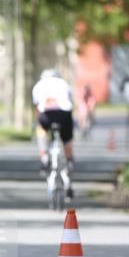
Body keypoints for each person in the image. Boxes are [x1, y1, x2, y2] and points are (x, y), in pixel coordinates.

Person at [32, 68, 75, 198]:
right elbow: (71, 102)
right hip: (64, 114)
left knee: (41, 129)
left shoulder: (39, 85)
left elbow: (37, 105)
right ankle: (69, 160)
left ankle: (44, 156)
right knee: (67, 138)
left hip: (46, 114)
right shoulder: (64, 84)